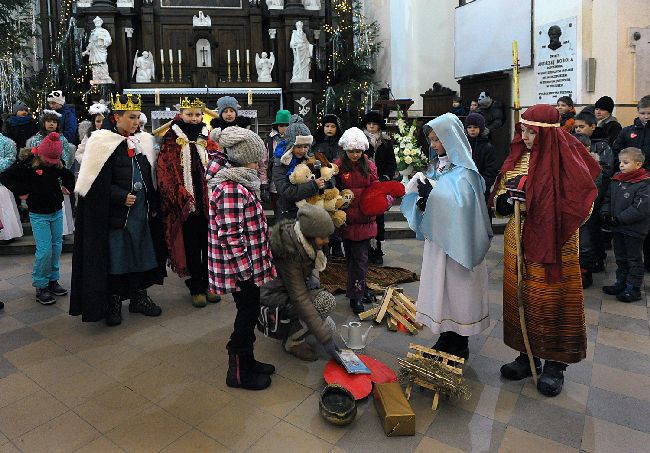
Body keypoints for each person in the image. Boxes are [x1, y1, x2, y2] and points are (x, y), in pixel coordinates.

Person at [491, 104, 600, 397]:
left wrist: (536, 205)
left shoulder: (570, 159)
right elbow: (501, 191)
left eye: (531, 131)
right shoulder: (519, 157)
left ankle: (554, 364)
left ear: (546, 133)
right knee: (521, 297)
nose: (524, 136)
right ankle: (528, 356)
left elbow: (584, 206)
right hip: (519, 240)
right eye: (523, 130)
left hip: (556, 242)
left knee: (552, 302)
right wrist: (504, 203)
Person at [402, 113, 492, 359]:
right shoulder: (437, 167)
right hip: (439, 243)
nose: (433, 145)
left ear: (451, 138)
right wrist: (423, 201)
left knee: (458, 290)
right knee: (441, 289)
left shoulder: (466, 172)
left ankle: (459, 341)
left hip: (459, 245)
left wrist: (434, 194)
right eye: (430, 140)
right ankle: (445, 336)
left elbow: (464, 206)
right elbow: (439, 199)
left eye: (437, 140)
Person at [70, 94, 166, 326]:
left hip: (141, 215)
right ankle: (112, 303)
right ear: (117, 117)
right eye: (131, 117)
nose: (136, 122)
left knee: (140, 257)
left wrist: (153, 202)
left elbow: (149, 175)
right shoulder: (101, 141)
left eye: (137, 117)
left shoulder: (142, 141)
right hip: (117, 217)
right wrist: (120, 196)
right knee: (117, 260)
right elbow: (93, 183)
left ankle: (138, 298)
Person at [206, 126, 276, 391]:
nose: (261, 161)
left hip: (248, 266)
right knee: (246, 315)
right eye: (258, 156)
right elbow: (231, 235)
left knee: (249, 310)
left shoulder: (240, 180)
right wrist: (247, 273)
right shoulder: (232, 187)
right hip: (241, 269)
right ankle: (237, 371)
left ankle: (248, 361)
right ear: (246, 156)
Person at [0, 133, 75, 304]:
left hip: (56, 211)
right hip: (38, 214)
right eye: (48, 160)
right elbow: (5, 176)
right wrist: (23, 191)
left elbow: (69, 176)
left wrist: (67, 187)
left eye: (53, 161)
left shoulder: (56, 164)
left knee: (57, 247)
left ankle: (52, 280)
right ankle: (41, 284)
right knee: (44, 250)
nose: (50, 163)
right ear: (40, 153)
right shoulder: (27, 164)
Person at [157, 98, 217, 307]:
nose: (194, 119)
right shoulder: (172, 137)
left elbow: (216, 161)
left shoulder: (206, 135)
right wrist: (179, 193)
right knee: (191, 244)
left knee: (208, 243)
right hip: (186, 202)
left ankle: (210, 283)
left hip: (207, 199)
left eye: (197, 115)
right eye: (189, 114)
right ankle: (197, 286)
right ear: (180, 114)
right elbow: (165, 168)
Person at [261, 204, 340, 361]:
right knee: (324, 304)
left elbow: (312, 266)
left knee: (327, 323)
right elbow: (300, 298)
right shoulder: (289, 252)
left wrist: (314, 282)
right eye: (322, 237)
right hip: (273, 296)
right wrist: (326, 340)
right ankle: (292, 341)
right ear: (310, 234)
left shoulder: (305, 240)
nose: (326, 240)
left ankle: (298, 327)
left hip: (289, 290)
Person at [335, 127, 378, 314]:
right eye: (351, 151)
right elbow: (334, 192)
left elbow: (376, 189)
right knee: (351, 259)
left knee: (360, 260)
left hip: (364, 219)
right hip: (346, 221)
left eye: (358, 151)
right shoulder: (338, 166)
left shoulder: (369, 166)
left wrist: (384, 199)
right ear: (345, 150)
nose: (355, 154)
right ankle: (356, 289)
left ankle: (357, 296)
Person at [601, 147, 650, 302]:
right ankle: (620, 283)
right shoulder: (617, 179)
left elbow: (640, 208)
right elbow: (608, 198)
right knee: (620, 258)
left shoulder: (644, 184)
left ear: (638, 164)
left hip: (633, 230)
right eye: (620, 162)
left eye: (626, 162)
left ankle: (633, 289)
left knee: (633, 259)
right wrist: (605, 213)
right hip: (618, 227)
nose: (621, 165)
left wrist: (620, 218)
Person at [611, 95, 650, 269]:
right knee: (632, 221)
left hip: (647, 180)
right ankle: (629, 267)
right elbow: (617, 150)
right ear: (638, 112)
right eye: (643, 113)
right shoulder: (628, 131)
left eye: (649, 113)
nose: (646, 117)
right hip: (630, 183)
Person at [28, 110, 75, 236]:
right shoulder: (37, 138)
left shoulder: (62, 138)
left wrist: (59, 162)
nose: (51, 124)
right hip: (40, 174)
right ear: (43, 123)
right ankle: (43, 231)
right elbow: (33, 154)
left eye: (54, 122)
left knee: (59, 201)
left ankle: (62, 232)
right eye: (48, 121)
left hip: (56, 174)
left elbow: (66, 154)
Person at [361, 110, 396, 265]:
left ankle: (377, 249)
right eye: (369, 124)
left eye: (374, 124)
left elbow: (391, 162)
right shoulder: (360, 141)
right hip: (365, 183)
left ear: (379, 126)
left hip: (380, 184)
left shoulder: (386, 142)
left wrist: (386, 177)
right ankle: (367, 249)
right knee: (366, 216)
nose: (371, 127)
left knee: (379, 217)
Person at [272, 115, 322, 220]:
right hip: (289, 214)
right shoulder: (280, 163)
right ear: (290, 146)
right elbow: (285, 191)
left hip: (311, 213)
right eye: (298, 146)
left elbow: (328, 177)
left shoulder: (312, 159)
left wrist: (325, 183)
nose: (303, 150)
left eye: (306, 146)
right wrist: (313, 186)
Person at [313, 114, 345, 258]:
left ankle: (337, 244)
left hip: (338, 183)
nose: (330, 129)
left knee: (336, 213)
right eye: (327, 126)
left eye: (333, 126)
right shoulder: (317, 142)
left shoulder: (341, 143)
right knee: (324, 215)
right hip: (322, 184)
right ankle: (325, 247)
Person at [262, 109, 291, 214]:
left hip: (292, 182)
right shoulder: (269, 141)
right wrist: (264, 183)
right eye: (281, 125)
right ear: (277, 126)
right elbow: (264, 164)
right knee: (278, 214)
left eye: (287, 125)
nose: (284, 128)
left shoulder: (296, 139)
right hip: (275, 183)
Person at [464, 113, 498, 201]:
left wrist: (483, 186)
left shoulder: (487, 147)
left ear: (481, 128)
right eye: (469, 127)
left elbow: (491, 170)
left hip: (482, 189)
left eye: (475, 127)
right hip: (464, 188)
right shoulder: (463, 146)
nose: (472, 130)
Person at [0, 132, 23, 243]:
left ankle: (8, 234)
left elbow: (10, 159)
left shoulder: (8, 142)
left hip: (3, 181)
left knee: (5, 208)